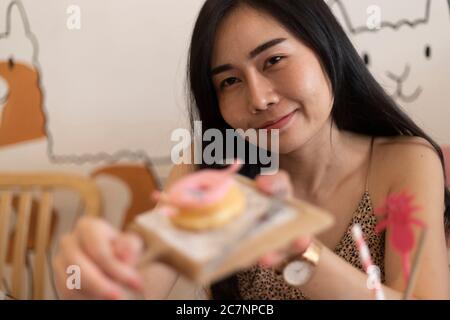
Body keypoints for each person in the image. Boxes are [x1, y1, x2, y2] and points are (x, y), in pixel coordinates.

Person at [53, 0, 450, 300]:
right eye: (229, 82)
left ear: (326, 49)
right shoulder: (208, 165)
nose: (258, 98)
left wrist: (297, 252)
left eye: (274, 59)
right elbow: (136, 285)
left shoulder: (404, 161)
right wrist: (90, 272)